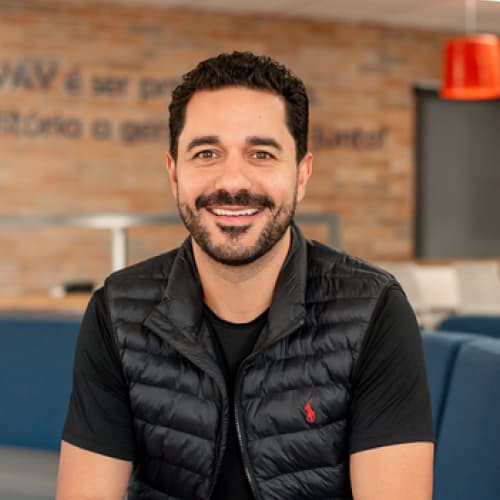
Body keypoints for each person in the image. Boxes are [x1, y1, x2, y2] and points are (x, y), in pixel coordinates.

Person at [56, 51, 434, 500]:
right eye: (207, 153)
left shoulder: (373, 311)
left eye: (261, 153)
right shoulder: (118, 313)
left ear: (301, 174)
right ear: (174, 173)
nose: (232, 180)